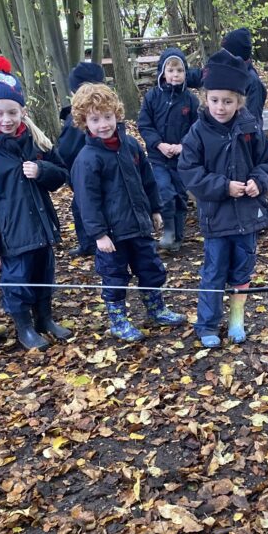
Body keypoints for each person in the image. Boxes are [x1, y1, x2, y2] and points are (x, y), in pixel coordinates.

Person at [70, 82, 186, 342]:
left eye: (108, 117)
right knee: (114, 275)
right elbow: (87, 201)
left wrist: (155, 209)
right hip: (112, 234)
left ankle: (156, 309)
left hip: (139, 225)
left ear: (117, 114)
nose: (103, 124)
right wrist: (98, 234)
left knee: (150, 267)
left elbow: (147, 178)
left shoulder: (131, 145)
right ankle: (118, 319)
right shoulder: (88, 159)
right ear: (84, 122)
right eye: (95, 119)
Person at [178, 49, 268, 347]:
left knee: (242, 271)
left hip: (247, 219)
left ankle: (237, 319)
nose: (220, 107)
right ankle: (207, 324)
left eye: (228, 101)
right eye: (214, 100)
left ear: (239, 102)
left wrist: (257, 182)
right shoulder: (197, 134)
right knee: (213, 272)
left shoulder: (251, 129)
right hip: (216, 219)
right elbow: (189, 171)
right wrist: (223, 186)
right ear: (205, 99)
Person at [0, 57, 71, 351]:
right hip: (12, 235)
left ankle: (44, 318)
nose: (6, 119)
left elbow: (61, 174)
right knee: (18, 281)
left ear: (22, 112)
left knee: (44, 275)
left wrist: (42, 172)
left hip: (41, 227)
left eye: (12, 112)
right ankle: (24, 327)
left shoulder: (37, 142)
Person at [137, 47, 198, 253]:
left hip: (181, 158)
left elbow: (196, 129)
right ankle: (168, 231)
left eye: (179, 71)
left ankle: (178, 238)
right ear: (163, 72)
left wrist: (182, 145)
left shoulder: (190, 100)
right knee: (164, 191)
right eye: (171, 71)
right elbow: (145, 125)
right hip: (158, 157)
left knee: (180, 195)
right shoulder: (152, 97)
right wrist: (159, 145)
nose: (175, 75)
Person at [58, 60, 106, 257]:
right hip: (88, 171)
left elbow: (66, 151)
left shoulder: (78, 121)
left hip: (84, 173)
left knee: (82, 206)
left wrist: (64, 169)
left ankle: (90, 243)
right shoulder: (101, 115)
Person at [186, 28, 267, 126]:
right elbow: (199, 75)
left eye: (225, 51)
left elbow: (253, 120)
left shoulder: (253, 82)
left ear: (235, 55)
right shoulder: (221, 70)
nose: (222, 53)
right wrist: (177, 75)